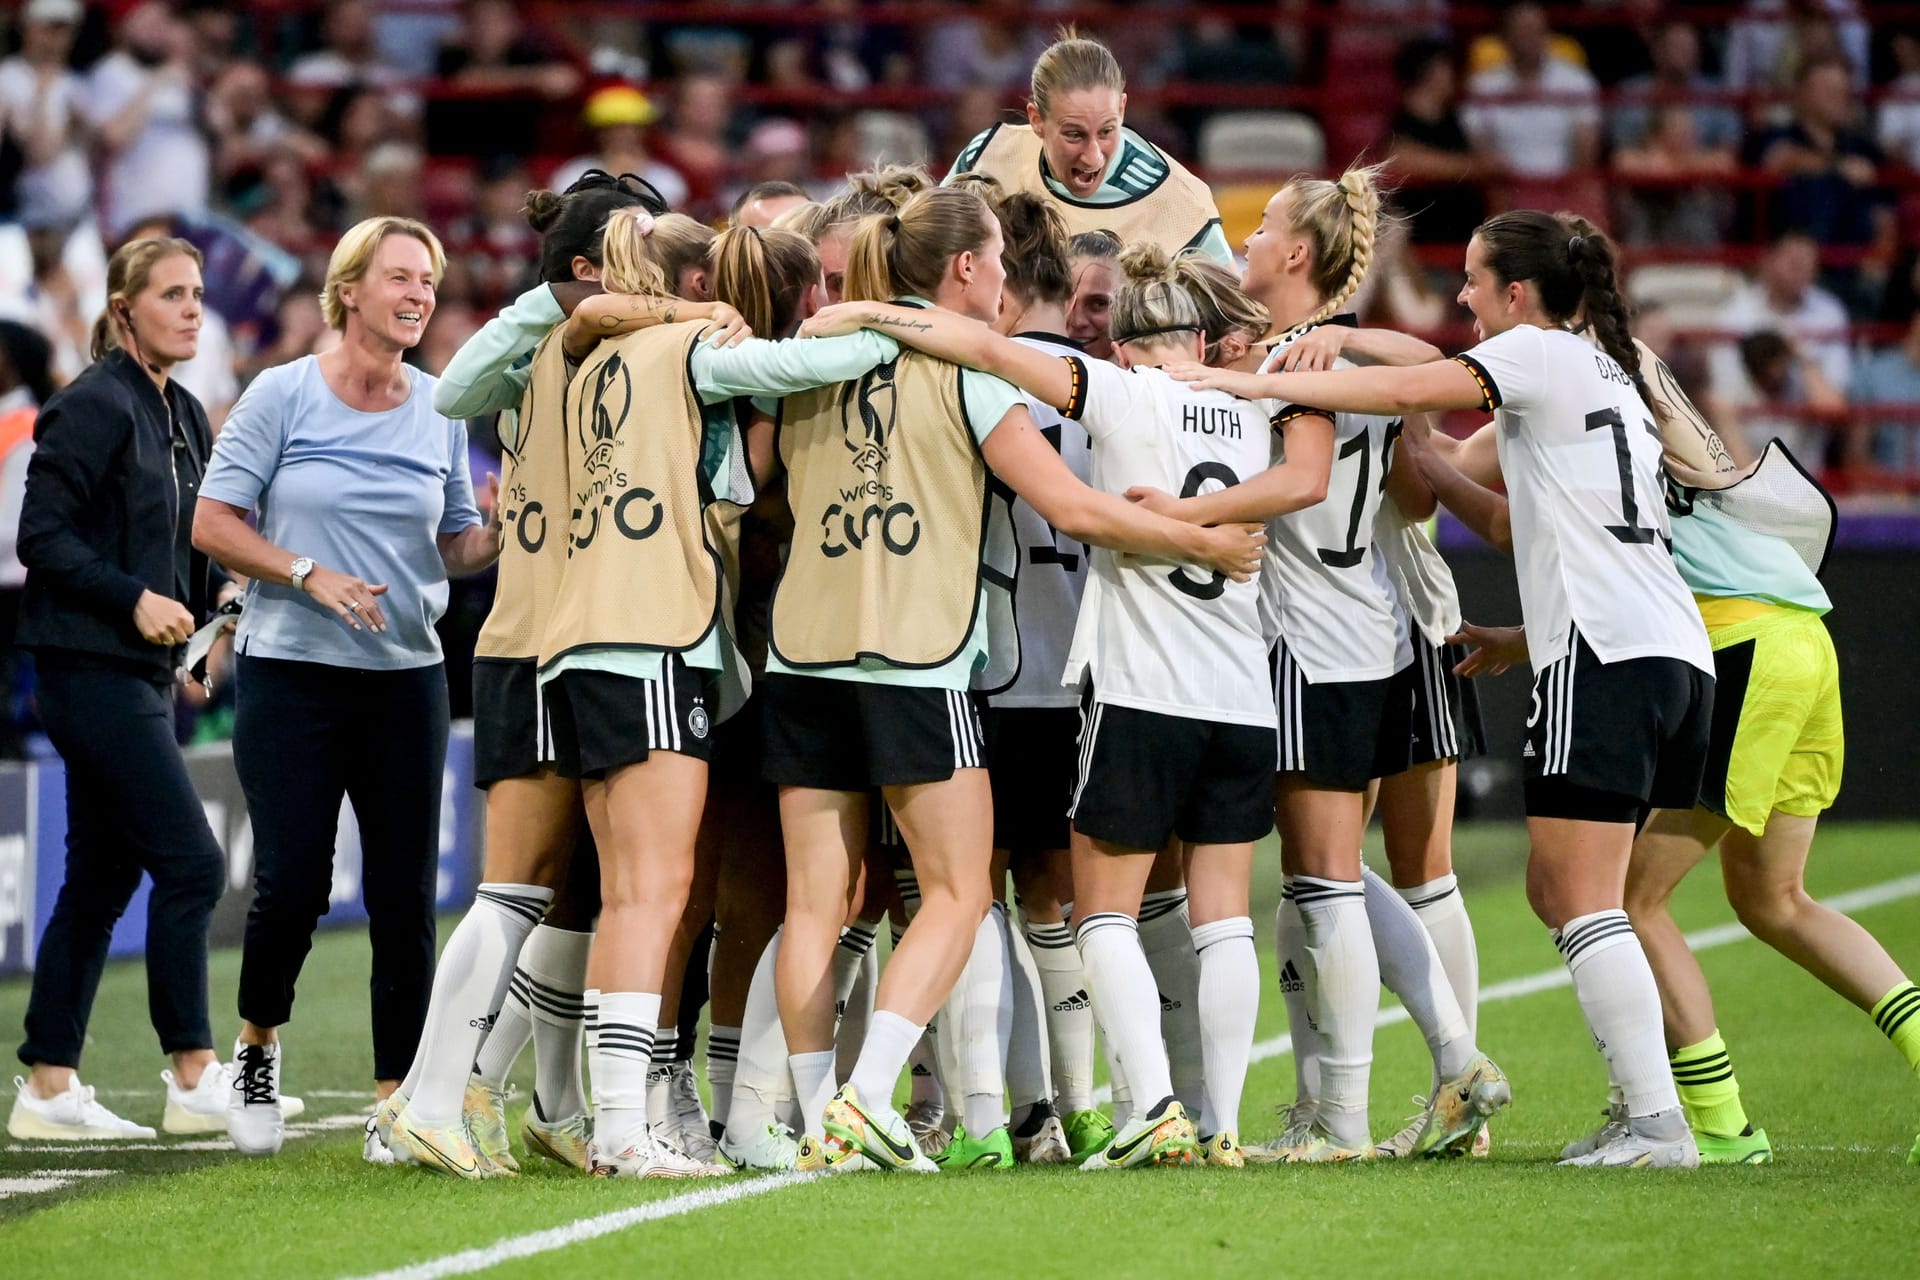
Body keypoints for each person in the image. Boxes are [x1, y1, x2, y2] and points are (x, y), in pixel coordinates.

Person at [1177, 211, 1715, 1169]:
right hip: (1665, 651)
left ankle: (1656, 1124)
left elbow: (1406, 380)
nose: (1462, 295)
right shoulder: (1605, 373)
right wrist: (1517, 632)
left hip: (1600, 657)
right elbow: (1515, 525)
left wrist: (1244, 374)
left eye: (1473, 279)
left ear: (1519, 294)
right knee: (1567, 893)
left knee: (1574, 898)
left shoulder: (1538, 355)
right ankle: (1630, 1109)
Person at [766, 184, 1262, 1174]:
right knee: (956, 891)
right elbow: (1074, 508)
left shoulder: (813, 361)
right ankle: (867, 1100)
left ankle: (814, 1117)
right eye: (996, 256)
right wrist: (1197, 535)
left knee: (814, 905)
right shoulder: (971, 376)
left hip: (800, 655)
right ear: (963, 269)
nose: (1005, 273)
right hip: (915, 655)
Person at [384, 176, 751, 1177]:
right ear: (589, 270)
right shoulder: (586, 346)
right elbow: (452, 388)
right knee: (542, 891)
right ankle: (448, 1093)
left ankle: (488, 1096)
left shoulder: (556, 358)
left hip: (550, 635)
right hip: (565, 636)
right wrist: (617, 305)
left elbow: (465, 390)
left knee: (550, 890)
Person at [193, 217, 500, 1157]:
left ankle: (397, 1100)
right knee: (292, 886)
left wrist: (498, 532)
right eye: (401, 277)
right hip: (293, 674)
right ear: (349, 288)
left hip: (406, 678)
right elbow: (212, 521)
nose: (418, 296)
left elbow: (453, 544)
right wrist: (302, 571)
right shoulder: (282, 394)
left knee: (406, 900)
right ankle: (255, 1046)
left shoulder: (445, 405)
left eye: (429, 284)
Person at [8, 237, 232, 1142]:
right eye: (171, 294)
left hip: (139, 672)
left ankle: (49, 1088)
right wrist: (134, 599)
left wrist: (210, 599)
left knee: (99, 882)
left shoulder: (182, 412)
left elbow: (192, 532)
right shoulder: (92, 405)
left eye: (198, 294)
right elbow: (42, 540)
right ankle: (193, 1074)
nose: (190, 308)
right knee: (191, 863)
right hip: (85, 668)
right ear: (123, 306)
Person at [946, 30, 1230, 265]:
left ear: (1122, 109)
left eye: (1107, 131)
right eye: (1074, 135)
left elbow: (1238, 319)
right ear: (1036, 120)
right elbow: (922, 258)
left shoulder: (1179, 200)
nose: (1093, 157)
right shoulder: (988, 155)